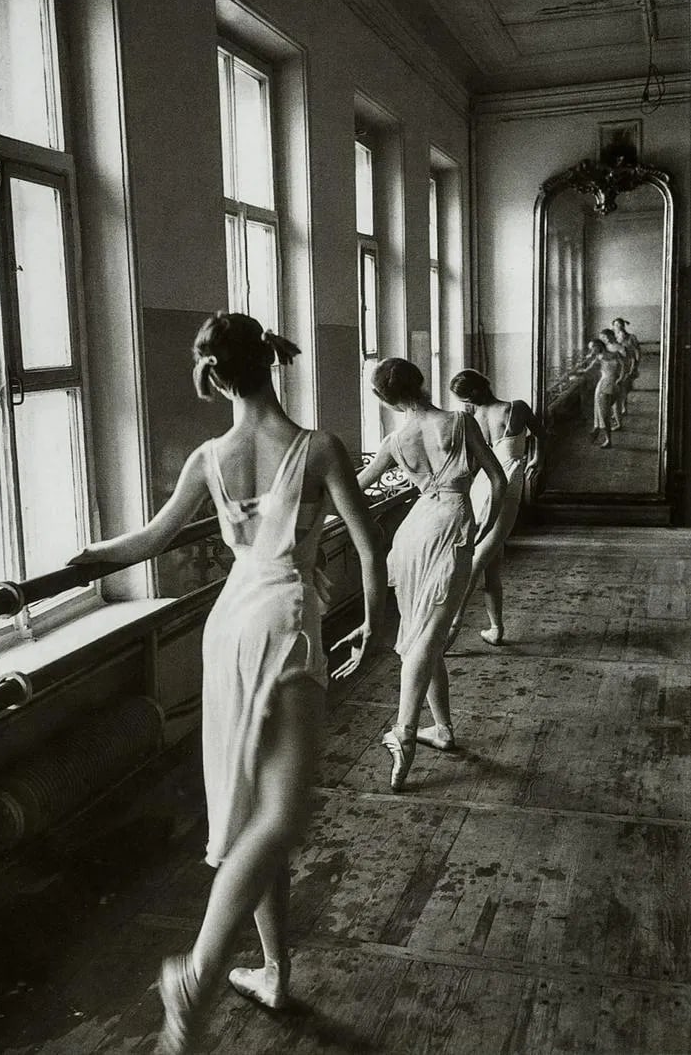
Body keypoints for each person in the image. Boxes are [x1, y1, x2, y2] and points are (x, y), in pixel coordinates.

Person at [69, 312, 386, 1054]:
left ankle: (273, 972)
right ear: (271, 362)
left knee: (253, 812)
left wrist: (82, 559)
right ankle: (200, 971)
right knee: (285, 811)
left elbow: (145, 541)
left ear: (214, 376)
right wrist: (374, 632)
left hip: (231, 624)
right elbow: (369, 550)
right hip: (284, 622)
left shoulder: (209, 457)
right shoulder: (318, 449)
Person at [356, 358, 506, 792]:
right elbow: (497, 480)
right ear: (421, 381)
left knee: (424, 632)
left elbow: (351, 488)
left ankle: (441, 729)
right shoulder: (460, 422)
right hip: (452, 524)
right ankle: (405, 730)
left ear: (384, 398)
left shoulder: (394, 440)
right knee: (428, 634)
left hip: (413, 532)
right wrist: (485, 523)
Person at [444, 370, 545, 649]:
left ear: (472, 395)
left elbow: (539, 433)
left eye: (464, 399)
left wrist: (538, 459)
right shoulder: (509, 409)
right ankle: (494, 628)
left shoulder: (496, 414)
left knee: (477, 561)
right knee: (487, 564)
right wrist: (537, 458)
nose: (466, 404)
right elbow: (541, 433)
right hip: (494, 484)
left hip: (499, 483)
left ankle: (451, 630)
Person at [571, 338, 623, 449]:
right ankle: (608, 440)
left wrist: (621, 378)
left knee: (604, 411)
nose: (591, 351)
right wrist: (574, 372)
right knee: (604, 413)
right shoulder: (598, 359)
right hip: (603, 386)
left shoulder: (615, 354)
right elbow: (586, 370)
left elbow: (624, 365)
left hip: (613, 386)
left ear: (599, 346)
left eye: (592, 348)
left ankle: (597, 429)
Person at [600, 328, 629, 428]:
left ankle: (619, 424)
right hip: (607, 376)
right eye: (603, 337)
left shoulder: (620, 348)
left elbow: (624, 364)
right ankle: (616, 420)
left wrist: (621, 377)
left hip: (617, 377)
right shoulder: (605, 348)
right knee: (610, 402)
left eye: (607, 336)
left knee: (617, 402)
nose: (605, 339)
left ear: (612, 336)